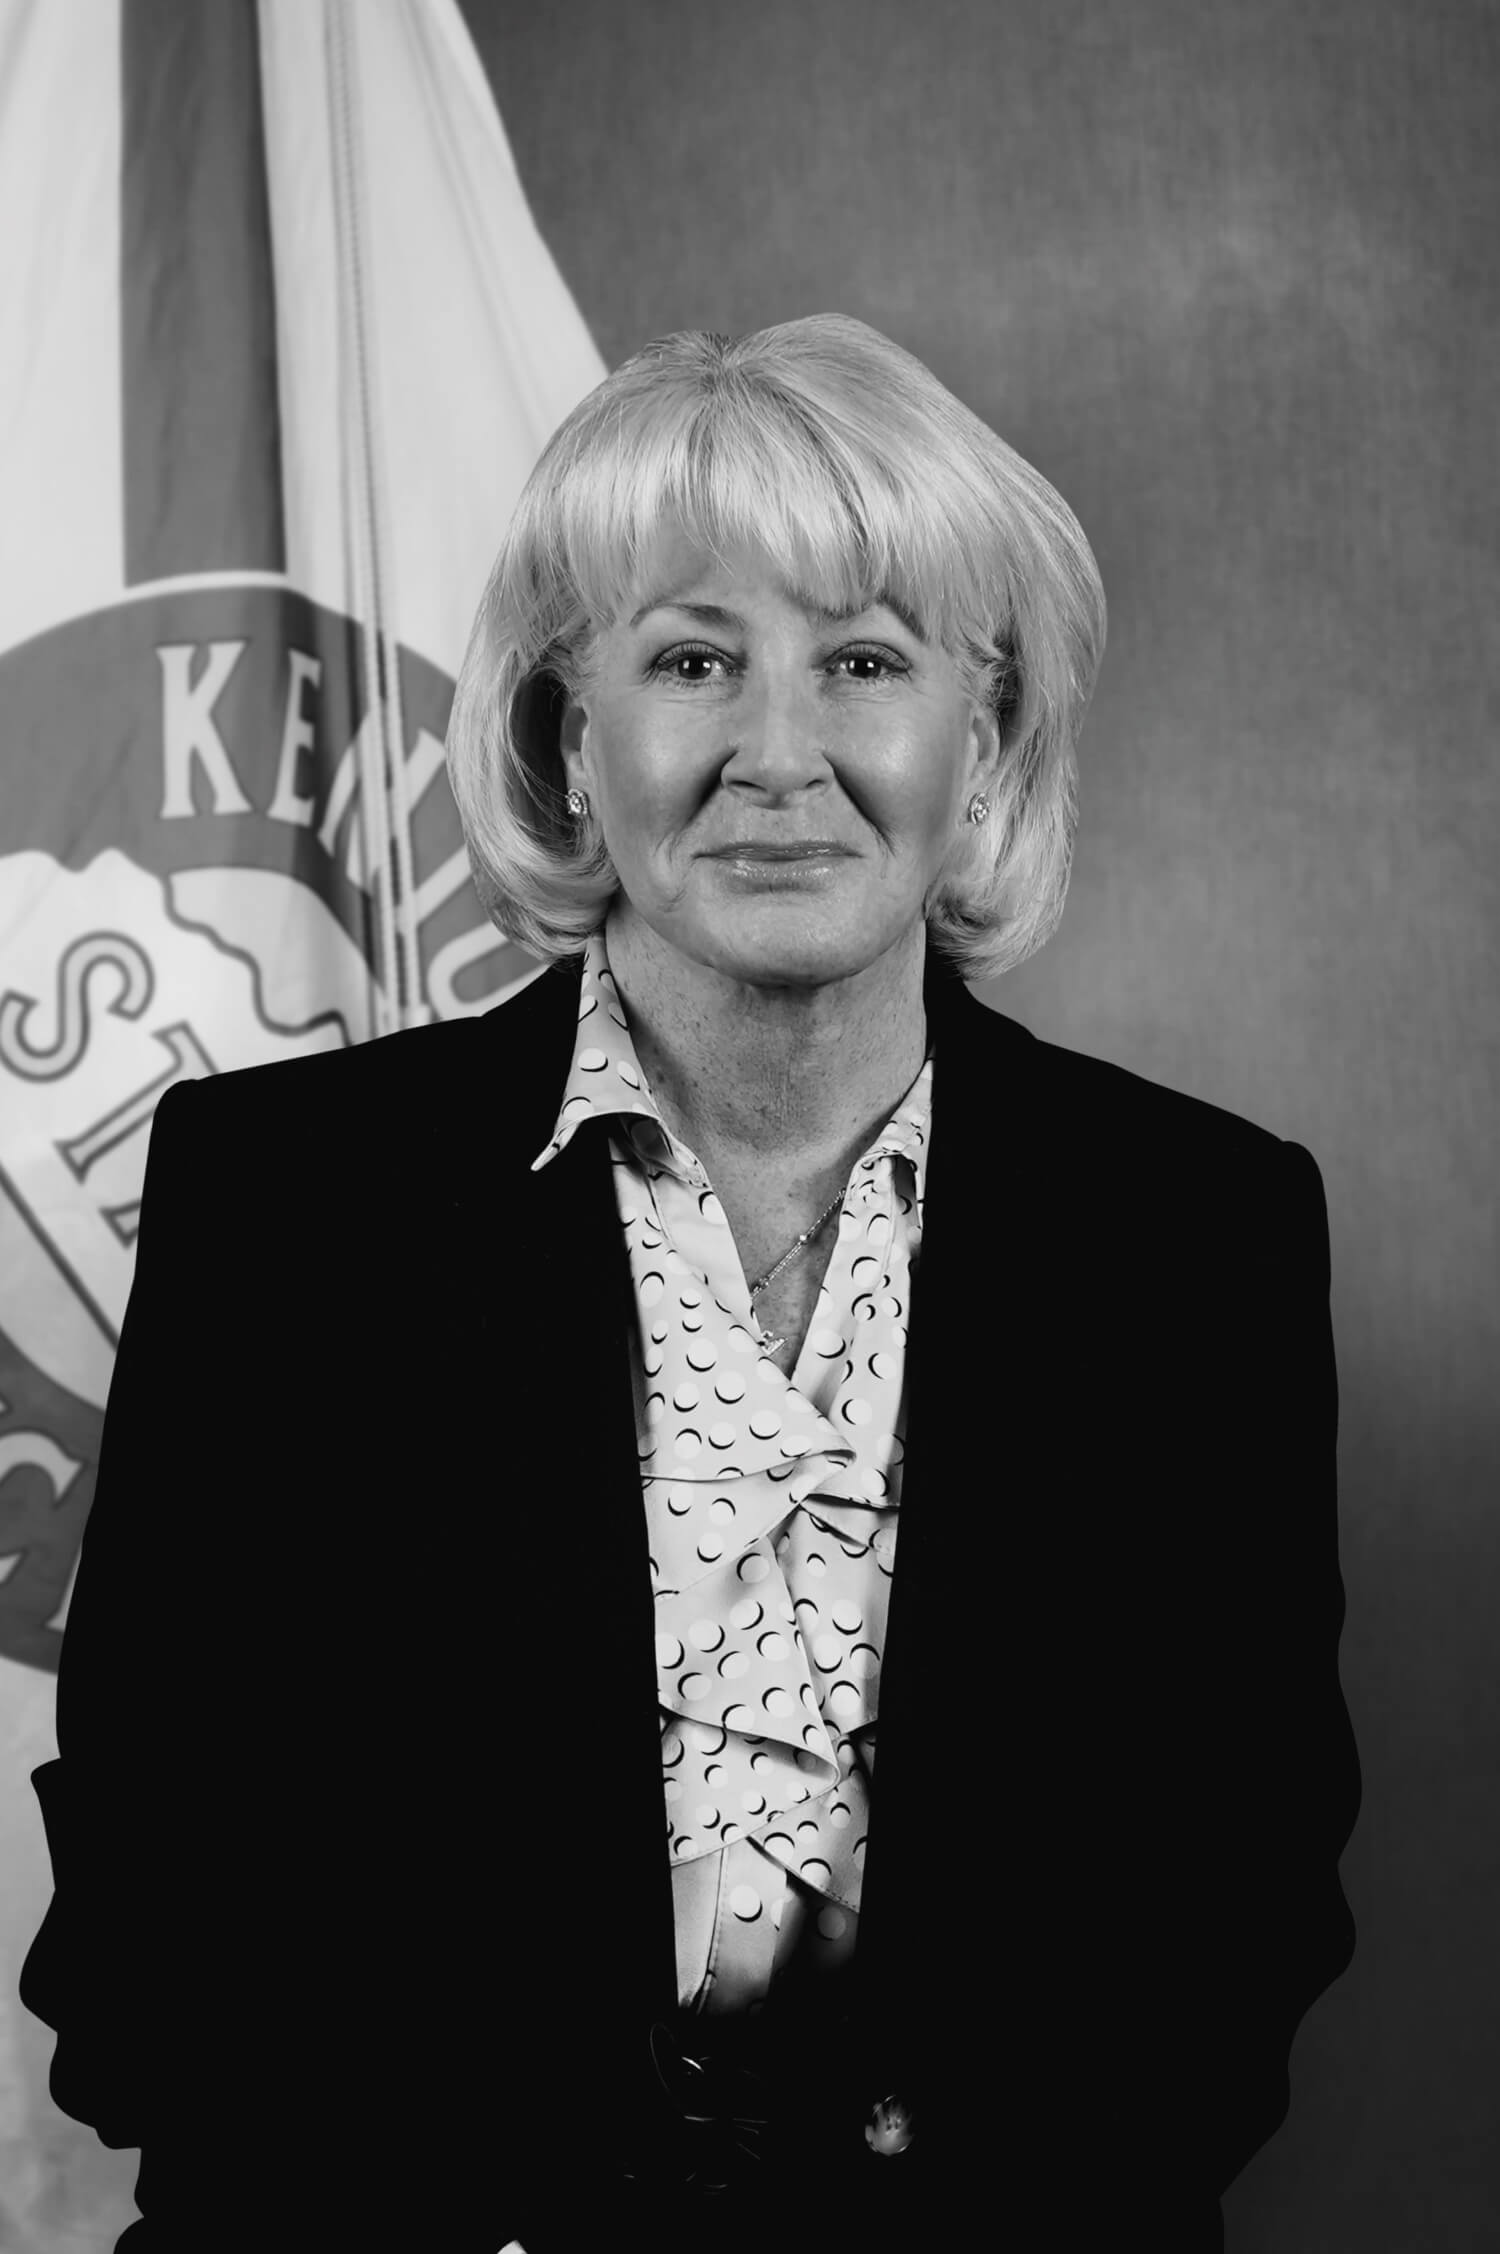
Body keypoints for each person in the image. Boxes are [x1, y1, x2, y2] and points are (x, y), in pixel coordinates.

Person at [20, 314, 1361, 2254]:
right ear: (573, 738)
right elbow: (155, 1911)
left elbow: (1238, 1912)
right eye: (692, 659)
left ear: (984, 742)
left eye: (866, 662)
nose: (777, 753)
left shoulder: (1199, 1235)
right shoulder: (284, 1203)